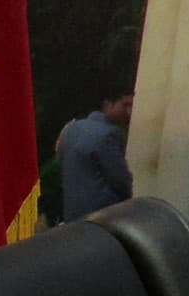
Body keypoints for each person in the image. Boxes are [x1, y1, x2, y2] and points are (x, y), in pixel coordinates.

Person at [54, 86, 133, 221]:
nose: (129, 112)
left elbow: (60, 164)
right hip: (103, 216)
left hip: (71, 214)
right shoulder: (109, 133)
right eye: (125, 105)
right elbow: (120, 179)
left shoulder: (70, 130)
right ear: (107, 104)